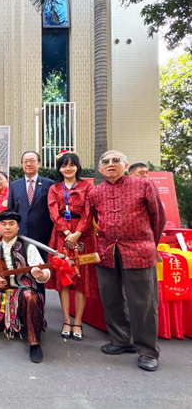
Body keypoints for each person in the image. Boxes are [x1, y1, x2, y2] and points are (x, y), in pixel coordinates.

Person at [90, 150, 166, 372]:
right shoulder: (96, 192)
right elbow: (93, 220)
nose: (110, 164)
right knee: (111, 298)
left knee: (142, 303)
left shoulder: (143, 186)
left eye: (116, 160)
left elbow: (158, 218)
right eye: (106, 162)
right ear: (100, 169)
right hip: (106, 252)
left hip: (139, 251)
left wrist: (149, 243)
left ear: (125, 165)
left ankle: (148, 351)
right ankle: (121, 340)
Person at [0, 209, 50, 363]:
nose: (7, 227)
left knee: (30, 297)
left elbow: (45, 272)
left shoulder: (28, 246)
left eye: (11, 224)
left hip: (22, 289)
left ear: (18, 227)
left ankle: (34, 342)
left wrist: (41, 274)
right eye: (3, 224)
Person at [46, 151, 98, 341]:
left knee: (82, 278)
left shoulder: (87, 186)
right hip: (61, 234)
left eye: (71, 165)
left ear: (77, 166)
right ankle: (66, 320)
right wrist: (67, 232)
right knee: (64, 276)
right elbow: (53, 211)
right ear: (59, 169)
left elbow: (89, 211)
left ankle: (78, 322)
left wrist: (77, 233)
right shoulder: (55, 188)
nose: (67, 169)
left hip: (83, 235)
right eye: (63, 165)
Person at [8, 151, 54, 262]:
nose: (28, 164)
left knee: (41, 267)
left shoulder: (49, 184)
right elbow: (11, 210)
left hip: (43, 235)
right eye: (25, 161)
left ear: (39, 163)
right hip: (20, 234)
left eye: (32, 161)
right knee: (21, 265)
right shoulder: (14, 185)